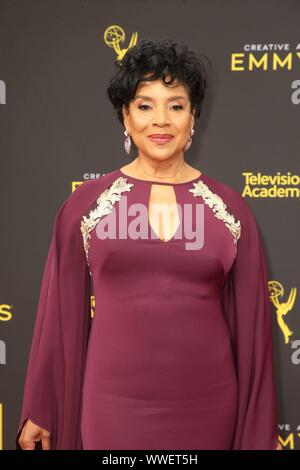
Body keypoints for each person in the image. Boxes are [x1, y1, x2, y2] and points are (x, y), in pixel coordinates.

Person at [16, 38, 282, 450]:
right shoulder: (85, 206)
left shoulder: (230, 209)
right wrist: (41, 407)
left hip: (209, 405)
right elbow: (59, 316)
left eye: (176, 106)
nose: (161, 120)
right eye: (144, 105)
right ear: (125, 115)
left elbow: (253, 335)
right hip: (113, 404)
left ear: (194, 117)